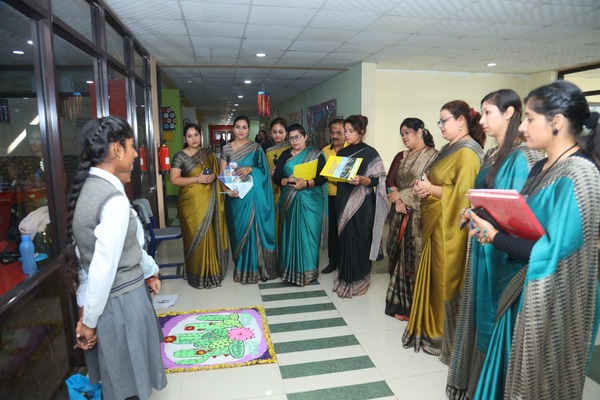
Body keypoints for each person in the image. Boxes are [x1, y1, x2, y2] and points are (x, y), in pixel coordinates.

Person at [463, 81, 600, 399]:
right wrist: (487, 219)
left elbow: (554, 251)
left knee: (532, 380)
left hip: (549, 293)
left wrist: (496, 237)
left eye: (529, 118)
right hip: (518, 283)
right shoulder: (541, 165)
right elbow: (523, 218)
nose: (522, 127)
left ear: (556, 122)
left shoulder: (581, 174)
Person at [446, 89, 543, 399]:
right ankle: (477, 384)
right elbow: (488, 198)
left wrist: (484, 217)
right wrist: (471, 210)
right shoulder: (492, 153)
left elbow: (514, 209)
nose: (482, 120)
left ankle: (494, 386)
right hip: (483, 243)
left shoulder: (522, 155)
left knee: (493, 314)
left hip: (501, 251)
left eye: (488, 113)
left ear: (510, 113)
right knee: (476, 309)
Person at [63, 116, 167, 399]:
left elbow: (85, 258)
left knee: (117, 376)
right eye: (131, 146)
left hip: (106, 303)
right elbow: (102, 268)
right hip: (122, 304)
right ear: (116, 150)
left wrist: (87, 311)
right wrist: (89, 321)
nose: (135, 154)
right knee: (129, 380)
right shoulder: (114, 201)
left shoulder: (87, 189)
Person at [403, 100, 485, 360]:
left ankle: (441, 332)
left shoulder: (468, 152)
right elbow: (437, 179)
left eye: (444, 120)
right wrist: (422, 187)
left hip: (450, 229)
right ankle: (429, 327)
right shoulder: (451, 148)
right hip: (435, 223)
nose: (439, 126)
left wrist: (430, 189)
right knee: (432, 276)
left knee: (443, 278)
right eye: (439, 121)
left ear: (461, 121)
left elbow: (465, 195)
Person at [384, 118, 437, 321]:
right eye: (402, 134)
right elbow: (390, 180)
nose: (404, 137)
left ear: (420, 132)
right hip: (398, 212)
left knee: (413, 258)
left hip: (417, 214)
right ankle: (400, 302)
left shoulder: (432, 156)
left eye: (407, 132)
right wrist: (395, 197)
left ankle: (414, 306)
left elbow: (426, 183)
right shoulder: (401, 156)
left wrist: (403, 198)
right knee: (396, 254)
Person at [333, 115, 387, 298]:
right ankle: (346, 278)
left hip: (363, 204)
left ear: (361, 132)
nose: (347, 135)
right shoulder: (341, 153)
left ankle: (361, 280)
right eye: (345, 131)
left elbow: (377, 180)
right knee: (346, 240)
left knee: (361, 240)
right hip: (343, 200)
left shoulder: (371, 153)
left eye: (351, 131)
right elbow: (337, 177)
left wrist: (363, 180)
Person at [170, 123, 229, 289]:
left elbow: (216, 173)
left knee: (209, 234)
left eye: (196, 135)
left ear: (200, 136)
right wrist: (198, 179)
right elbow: (175, 180)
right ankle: (197, 274)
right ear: (185, 138)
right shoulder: (179, 156)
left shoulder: (207, 153)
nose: (193, 139)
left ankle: (212, 272)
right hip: (190, 204)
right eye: (190, 136)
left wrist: (212, 178)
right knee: (196, 237)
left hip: (209, 200)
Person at [219, 115, 277, 283]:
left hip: (252, 196)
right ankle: (242, 266)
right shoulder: (227, 149)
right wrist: (227, 191)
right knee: (238, 232)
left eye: (245, 127)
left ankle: (256, 267)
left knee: (254, 230)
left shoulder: (256, 147)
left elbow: (264, 171)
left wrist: (251, 169)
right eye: (238, 127)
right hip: (235, 197)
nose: (241, 130)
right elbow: (223, 175)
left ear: (248, 129)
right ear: (233, 129)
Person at [273, 123, 327, 286]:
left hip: (312, 199)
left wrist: (307, 183)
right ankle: (289, 270)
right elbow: (276, 177)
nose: (294, 141)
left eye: (298, 137)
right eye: (291, 138)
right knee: (290, 233)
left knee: (310, 234)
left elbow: (323, 177)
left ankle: (308, 272)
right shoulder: (284, 155)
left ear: (305, 137)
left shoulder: (316, 154)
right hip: (290, 198)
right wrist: (284, 180)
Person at [321, 118, 346, 274]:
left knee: (346, 231)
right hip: (330, 198)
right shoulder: (325, 151)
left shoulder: (351, 150)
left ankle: (345, 261)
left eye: (339, 132)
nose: (335, 136)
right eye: (332, 132)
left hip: (348, 197)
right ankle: (333, 262)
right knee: (332, 231)